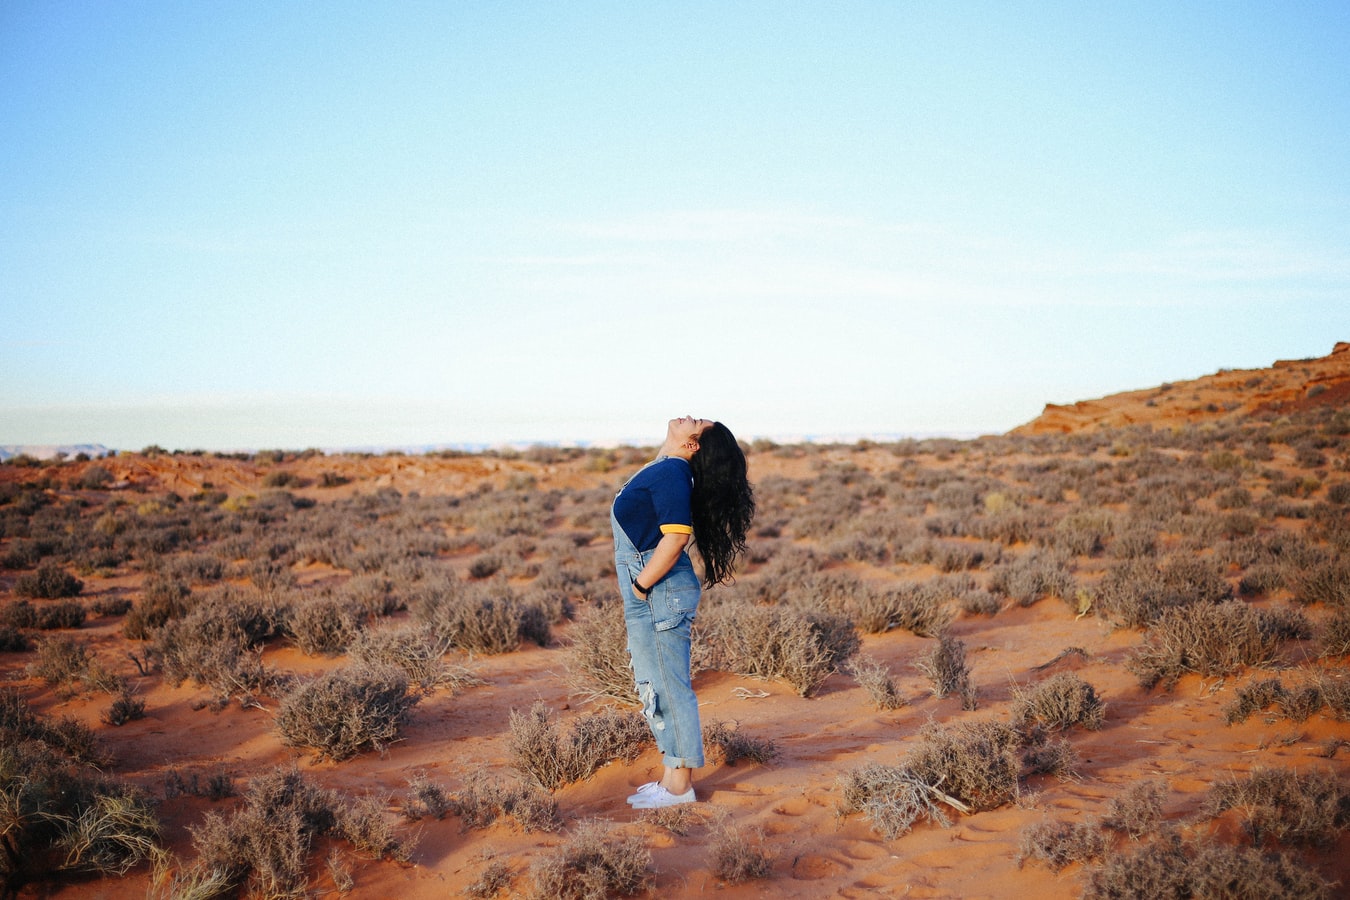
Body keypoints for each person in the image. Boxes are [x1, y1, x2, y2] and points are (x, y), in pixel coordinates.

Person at [611, 416, 755, 809]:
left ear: (693, 445)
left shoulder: (673, 473)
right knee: (655, 683)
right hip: (658, 591)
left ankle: (680, 787)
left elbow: (676, 537)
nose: (690, 416)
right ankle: (672, 776)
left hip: (659, 591)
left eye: (698, 423)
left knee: (668, 687)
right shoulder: (667, 467)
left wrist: (641, 585)